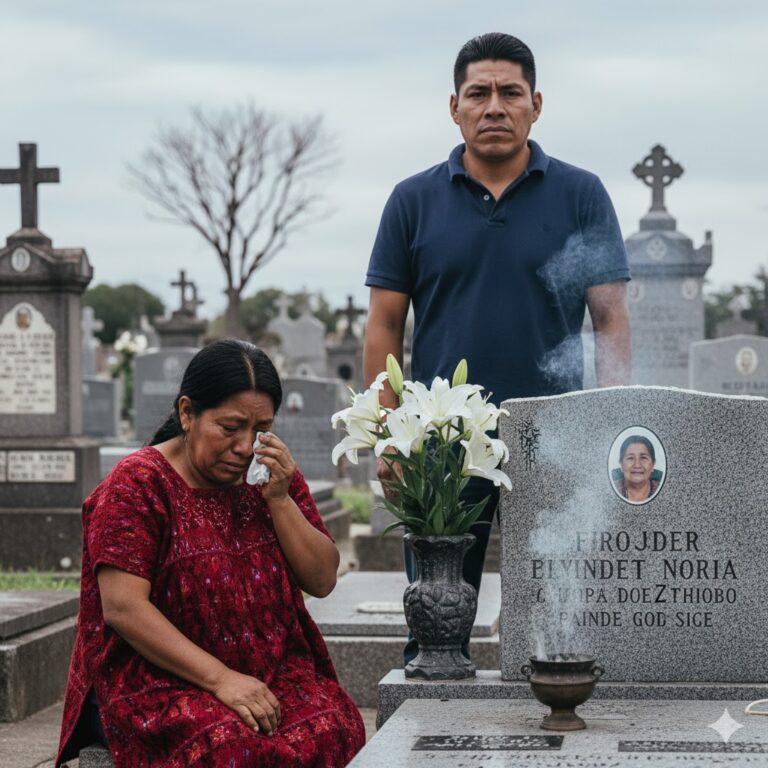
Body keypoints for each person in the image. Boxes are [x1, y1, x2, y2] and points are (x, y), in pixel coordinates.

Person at [363, 32, 632, 665]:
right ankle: (428, 731)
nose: (494, 107)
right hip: (440, 441)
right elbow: (383, 326)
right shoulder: (412, 200)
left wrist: (616, 424)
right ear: (453, 107)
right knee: (437, 623)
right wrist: (386, 434)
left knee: (557, 618)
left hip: (555, 437)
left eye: (509, 92)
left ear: (536, 104)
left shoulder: (581, 193)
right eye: (478, 93)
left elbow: (611, 321)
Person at [57, 340, 365, 768]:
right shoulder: (139, 484)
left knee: (336, 727)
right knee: (230, 748)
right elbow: (123, 608)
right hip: (160, 677)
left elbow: (322, 579)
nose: (245, 446)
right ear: (187, 413)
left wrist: (279, 500)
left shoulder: (271, 475)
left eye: (261, 429)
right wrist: (222, 680)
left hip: (271, 668)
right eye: (230, 427)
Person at [613, 435, 661, 503]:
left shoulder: (665, 491)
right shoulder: (610, 491)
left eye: (643, 458)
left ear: (653, 464)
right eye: (630, 458)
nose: (637, 465)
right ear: (621, 464)